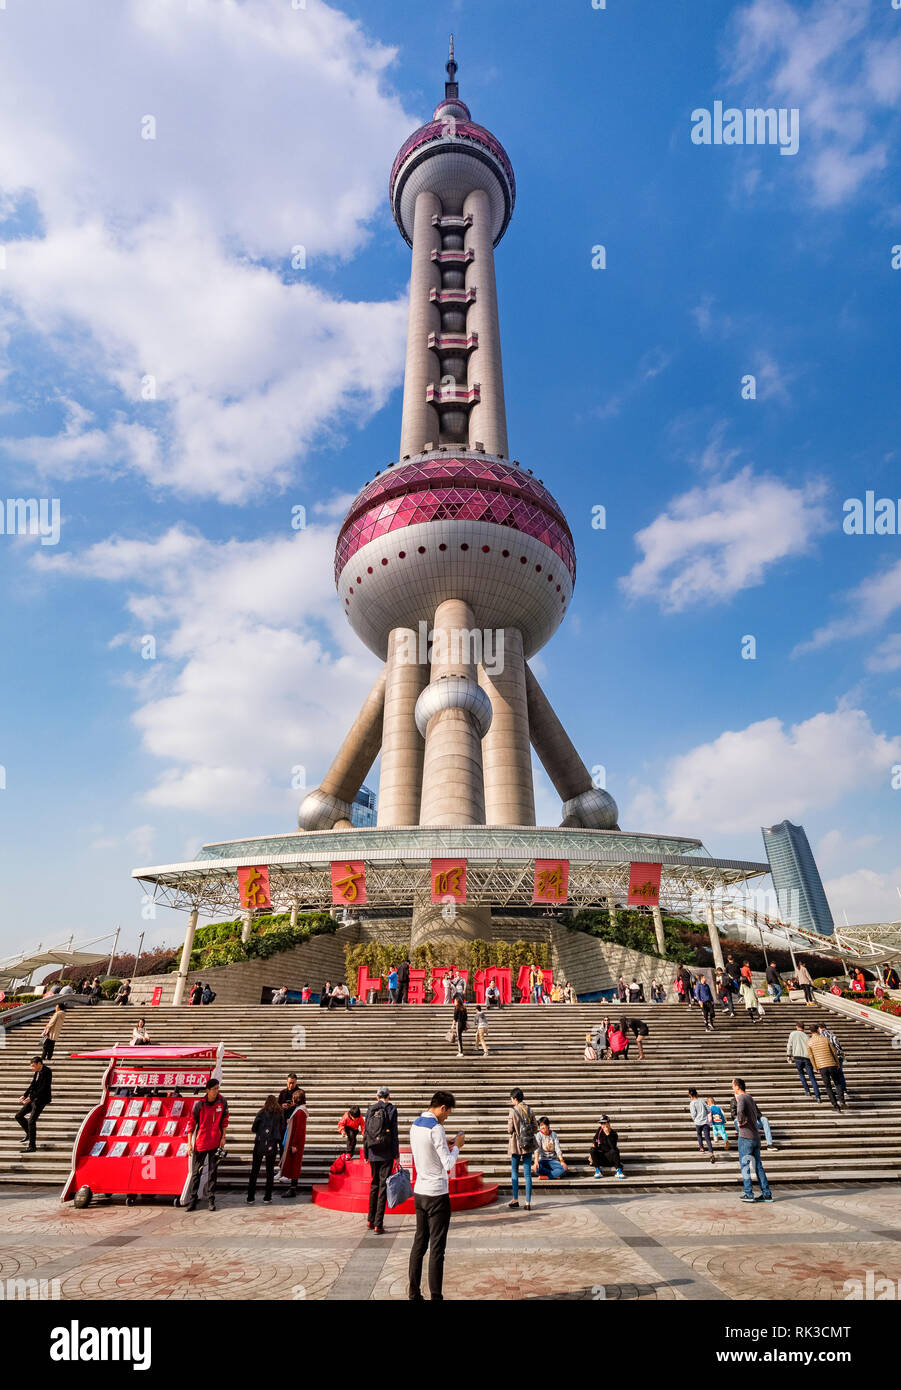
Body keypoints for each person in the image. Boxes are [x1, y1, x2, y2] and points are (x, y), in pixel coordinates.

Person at [408, 1090, 462, 1301]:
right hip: (437, 1194)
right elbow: (448, 1164)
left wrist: (446, 1144)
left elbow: (426, 1151)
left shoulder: (416, 1124)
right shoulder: (436, 1128)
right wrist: (457, 1146)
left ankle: (414, 1293)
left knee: (419, 1244)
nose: (447, 1117)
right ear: (442, 1108)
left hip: (420, 1191)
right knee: (437, 1248)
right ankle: (436, 1296)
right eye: (448, 1113)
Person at [185, 1077, 229, 1212]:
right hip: (201, 1143)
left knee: (212, 1172)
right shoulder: (200, 1104)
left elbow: (224, 1121)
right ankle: (192, 1200)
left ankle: (211, 1199)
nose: (217, 1091)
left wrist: (223, 1137)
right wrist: (189, 1144)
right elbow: (191, 1124)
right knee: (195, 1173)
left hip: (215, 1142)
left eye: (218, 1088)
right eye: (214, 1089)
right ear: (207, 1090)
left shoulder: (222, 1101)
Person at [362, 1085, 399, 1233]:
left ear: (377, 1097)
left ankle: (370, 1221)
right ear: (388, 1096)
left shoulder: (371, 1109)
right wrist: (396, 1154)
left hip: (372, 1151)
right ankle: (378, 1224)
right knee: (383, 1186)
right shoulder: (391, 1109)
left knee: (374, 1185)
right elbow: (394, 1133)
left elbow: (365, 1133)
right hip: (387, 1153)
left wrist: (365, 1153)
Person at [732, 1077, 773, 1202]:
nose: (732, 1087)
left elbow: (739, 1112)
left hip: (745, 1137)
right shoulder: (750, 1097)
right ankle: (766, 1193)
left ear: (737, 1087)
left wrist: (740, 1123)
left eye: (732, 1085)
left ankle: (748, 1193)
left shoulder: (741, 1098)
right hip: (756, 1137)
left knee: (745, 1164)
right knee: (758, 1165)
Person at [247, 1095, 284, 1204]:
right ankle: (267, 1197)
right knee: (270, 1171)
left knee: (255, 1170)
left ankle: (250, 1197)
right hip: (272, 1144)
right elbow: (282, 1129)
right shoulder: (279, 1113)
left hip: (259, 1143)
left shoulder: (261, 1112)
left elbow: (253, 1128)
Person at [507, 1088, 537, 1210]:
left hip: (516, 1144)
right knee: (527, 1174)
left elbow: (510, 1129)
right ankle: (528, 1202)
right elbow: (535, 1127)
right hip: (528, 1144)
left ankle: (515, 1199)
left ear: (515, 1098)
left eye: (511, 1098)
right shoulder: (530, 1109)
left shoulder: (513, 1111)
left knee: (514, 1171)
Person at [15, 1057, 52, 1152]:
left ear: (39, 1064)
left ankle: (32, 1146)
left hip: (41, 1100)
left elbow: (44, 1088)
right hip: (33, 1098)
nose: (32, 1068)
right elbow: (32, 1085)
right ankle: (29, 1134)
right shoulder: (37, 1072)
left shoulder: (47, 1072)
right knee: (18, 1116)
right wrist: (24, 1095)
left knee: (31, 1121)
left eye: (33, 1066)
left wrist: (30, 1098)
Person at [278, 1088, 308, 1198]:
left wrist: (294, 1144)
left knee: (294, 1165)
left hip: (295, 1143)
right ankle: (292, 1187)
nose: (292, 1099)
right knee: (294, 1164)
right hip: (295, 1141)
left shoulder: (300, 1112)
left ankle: (293, 1189)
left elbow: (299, 1129)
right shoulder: (299, 1110)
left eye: (293, 1098)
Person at [808, 1026, 845, 1109]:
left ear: (810, 1031)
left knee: (828, 1086)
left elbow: (811, 1056)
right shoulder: (825, 1039)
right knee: (837, 1083)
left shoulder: (809, 1042)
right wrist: (837, 1062)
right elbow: (833, 1051)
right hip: (831, 1064)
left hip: (822, 1066)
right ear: (818, 1030)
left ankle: (835, 1105)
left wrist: (815, 1067)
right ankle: (841, 1100)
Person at [786, 1023, 821, 1101]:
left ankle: (807, 1090)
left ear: (797, 1027)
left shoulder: (793, 1034)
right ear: (803, 1028)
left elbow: (790, 1044)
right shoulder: (806, 1036)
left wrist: (789, 1055)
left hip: (797, 1057)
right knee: (812, 1076)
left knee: (801, 1074)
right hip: (807, 1058)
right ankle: (818, 1096)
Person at [819, 1024, 850, 1099]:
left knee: (832, 1076)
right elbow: (838, 1045)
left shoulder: (821, 1036)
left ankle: (836, 1091)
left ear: (819, 1028)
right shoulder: (832, 1034)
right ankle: (843, 1089)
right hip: (838, 1056)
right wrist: (842, 1054)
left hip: (829, 1058)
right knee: (840, 1073)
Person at [589, 1114, 625, 1179]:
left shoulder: (614, 1134)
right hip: (601, 1158)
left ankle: (618, 1171)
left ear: (608, 1123)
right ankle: (597, 1170)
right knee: (592, 1149)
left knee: (615, 1150)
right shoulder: (599, 1130)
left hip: (610, 1159)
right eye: (601, 1123)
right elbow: (595, 1140)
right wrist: (592, 1155)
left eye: (604, 1123)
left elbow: (613, 1147)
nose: (603, 1125)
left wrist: (608, 1135)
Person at [688, 1089, 715, 1163]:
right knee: (708, 1138)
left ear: (690, 1095)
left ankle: (702, 1148)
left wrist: (694, 1119)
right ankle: (711, 1152)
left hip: (698, 1122)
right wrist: (705, 1113)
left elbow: (693, 1114)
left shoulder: (692, 1103)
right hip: (705, 1122)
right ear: (697, 1093)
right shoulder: (702, 1100)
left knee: (699, 1135)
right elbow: (708, 1109)